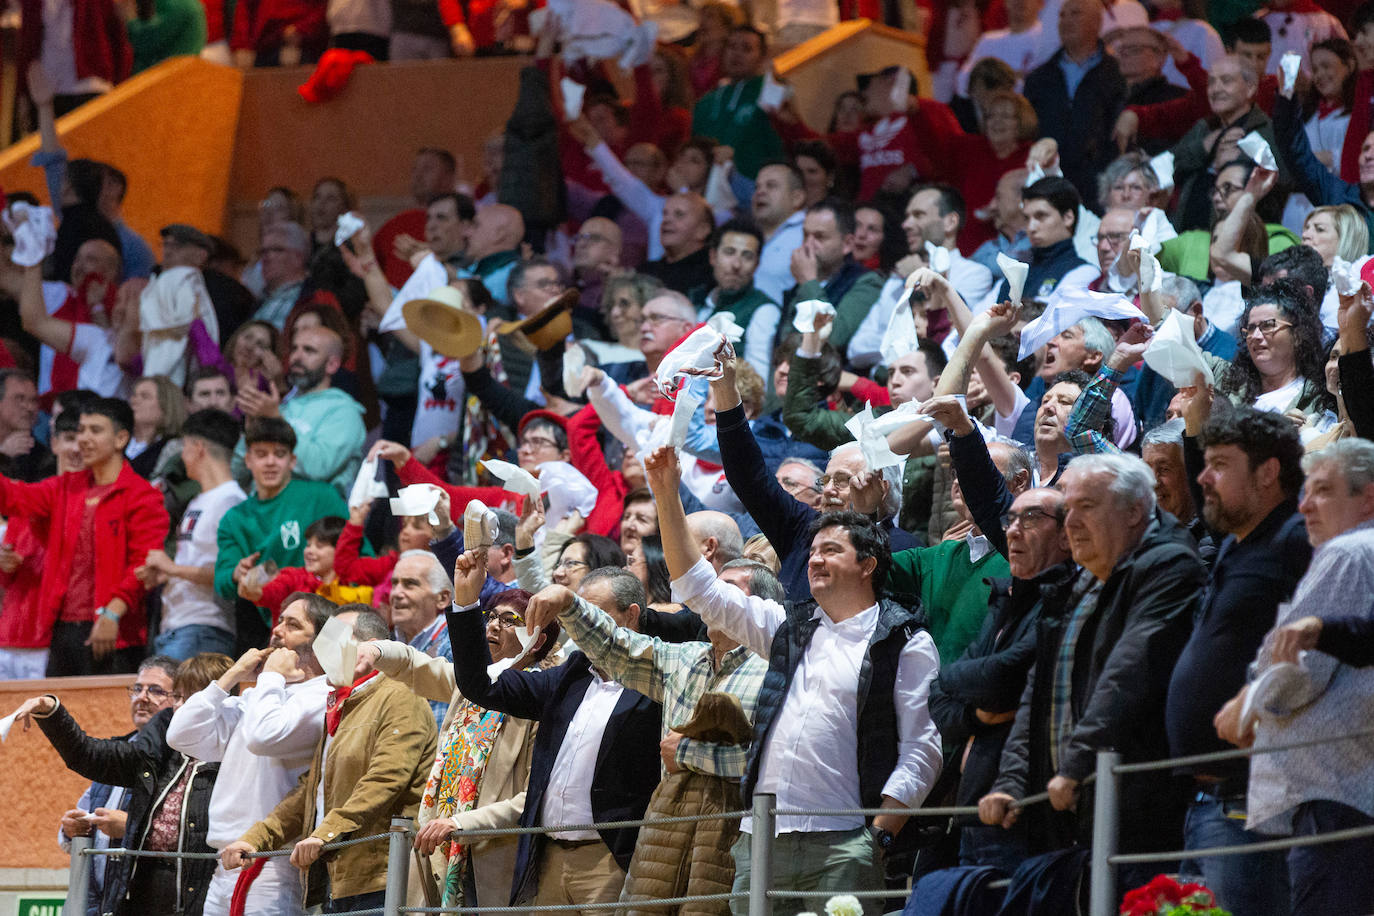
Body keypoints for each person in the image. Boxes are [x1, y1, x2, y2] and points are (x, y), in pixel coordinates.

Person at [643, 445, 941, 915]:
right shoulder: (787, 625)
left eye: (832, 550)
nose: (815, 560)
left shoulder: (905, 642)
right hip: (760, 836)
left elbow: (923, 749)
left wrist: (879, 833)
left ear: (868, 565)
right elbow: (699, 588)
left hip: (845, 844)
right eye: (814, 551)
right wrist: (665, 494)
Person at [980, 453, 1204, 890]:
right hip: (1068, 803)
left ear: (1135, 511)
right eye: (1068, 508)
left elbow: (1128, 677)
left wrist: (1076, 765)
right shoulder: (1079, 581)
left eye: (1087, 507)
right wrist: (1011, 781)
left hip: (1135, 803)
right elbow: (1038, 693)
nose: (1071, 522)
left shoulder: (1170, 567)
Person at [523, 553, 774, 913]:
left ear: (762, 611)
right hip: (662, 840)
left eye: (730, 590)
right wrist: (569, 603)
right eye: (715, 589)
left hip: (735, 843)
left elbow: (771, 763)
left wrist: (687, 753)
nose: (716, 598)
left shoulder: (777, 669)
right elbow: (613, 647)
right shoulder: (684, 658)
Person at [447, 555, 663, 910]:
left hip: (612, 859)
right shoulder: (572, 674)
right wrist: (466, 602)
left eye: (594, 613)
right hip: (548, 859)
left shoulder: (658, 681)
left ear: (632, 615)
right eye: (577, 615)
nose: (583, 626)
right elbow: (480, 686)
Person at [1214, 440, 1374, 916]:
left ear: (1368, 498)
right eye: (1304, 491)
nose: (1303, 506)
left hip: (1336, 791)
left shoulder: (1349, 552)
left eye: (1322, 491)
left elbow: (1296, 671)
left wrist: (1246, 706)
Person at [1163, 408, 1309, 915]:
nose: (1202, 477)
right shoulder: (1236, 544)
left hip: (1255, 799)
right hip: (1208, 800)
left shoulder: (1296, 539)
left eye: (1220, 464)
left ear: (1268, 472)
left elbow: (1315, 655)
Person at [222, 610, 438, 914]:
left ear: (373, 646)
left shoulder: (400, 694)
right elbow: (311, 790)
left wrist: (325, 833)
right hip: (337, 875)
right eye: (323, 642)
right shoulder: (343, 702)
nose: (324, 652)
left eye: (336, 640)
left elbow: (386, 779)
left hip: (383, 877)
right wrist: (256, 838)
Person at [14, 653, 232, 916]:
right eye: (177, 698)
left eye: (188, 698)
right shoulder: (155, 756)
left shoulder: (234, 757)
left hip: (208, 901)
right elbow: (88, 754)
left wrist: (129, 828)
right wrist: (51, 710)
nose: (179, 708)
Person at [928, 486, 1077, 872]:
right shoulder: (1006, 599)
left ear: (1066, 534)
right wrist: (976, 717)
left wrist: (950, 678)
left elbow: (1002, 679)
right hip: (974, 807)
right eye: (1011, 519)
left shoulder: (1066, 598)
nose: (1013, 531)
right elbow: (938, 699)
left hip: (1026, 812)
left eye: (1031, 518)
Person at [165, 593, 337, 916]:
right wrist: (232, 676)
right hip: (223, 864)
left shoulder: (322, 696)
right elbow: (179, 734)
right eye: (279, 620)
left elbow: (263, 736)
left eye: (293, 624)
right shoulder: (258, 695)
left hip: (274, 867)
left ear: (320, 641)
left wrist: (271, 676)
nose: (277, 630)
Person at [0, 396, 168, 675]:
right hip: (61, 629)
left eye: (95, 430)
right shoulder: (65, 488)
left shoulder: (142, 496)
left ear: (121, 438)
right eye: (80, 431)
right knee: (55, 716)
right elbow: (13, 498)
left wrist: (113, 611)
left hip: (115, 630)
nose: (83, 440)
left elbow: (144, 563)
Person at [56, 656, 179, 916]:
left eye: (155, 690)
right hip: (96, 906)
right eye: (137, 688)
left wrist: (131, 828)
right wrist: (72, 830)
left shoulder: (179, 759)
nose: (142, 697)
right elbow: (78, 831)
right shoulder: (117, 752)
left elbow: (192, 839)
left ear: (178, 699)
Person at [214, 417, 347, 649]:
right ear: (248, 460)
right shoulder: (234, 519)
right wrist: (237, 572)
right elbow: (222, 579)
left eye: (279, 454)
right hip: (270, 622)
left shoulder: (321, 496)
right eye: (261, 454)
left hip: (329, 617)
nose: (271, 462)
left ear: (292, 460)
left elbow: (356, 552)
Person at [137, 409, 246, 660]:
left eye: (184, 446)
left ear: (198, 448)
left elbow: (230, 574)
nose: (182, 456)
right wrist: (165, 573)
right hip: (177, 625)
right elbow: (197, 561)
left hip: (205, 626)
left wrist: (172, 568)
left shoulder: (231, 501)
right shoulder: (199, 499)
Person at [233, 324, 367, 496]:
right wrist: (252, 424)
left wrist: (276, 419)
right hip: (261, 514)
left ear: (332, 364)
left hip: (313, 517)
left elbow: (319, 467)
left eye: (309, 350)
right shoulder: (284, 407)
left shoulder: (344, 411)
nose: (297, 356)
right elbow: (238, 474)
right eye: (294, 349)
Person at [1022, 0, 1127, 204]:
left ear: (1097, 23)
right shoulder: (1038, 77)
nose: (1066, 21)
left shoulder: (1118, 74)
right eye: (1062, 15)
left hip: (1100, 185)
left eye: (1075, 13)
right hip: (1049, 183)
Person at [691, 26, 785, 180]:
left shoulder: (770, 92)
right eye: (732, 47)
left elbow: (781, 144)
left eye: (746, 49)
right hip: (708, 189)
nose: (737, 54)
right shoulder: (707, 101)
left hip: (756, 188)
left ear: (761, 57)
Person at [692, 219, 780, 379]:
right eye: (729, 252)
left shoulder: (763, 310)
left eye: (747, 256)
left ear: (757, 264)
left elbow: (758, 382)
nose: (737, 264)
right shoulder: (697, 302)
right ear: (713, 256)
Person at [0, 370, 48, 482]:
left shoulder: (44, 458)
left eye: (34, 400)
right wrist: (2, 456)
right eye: (19, 399)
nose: (30, 407)